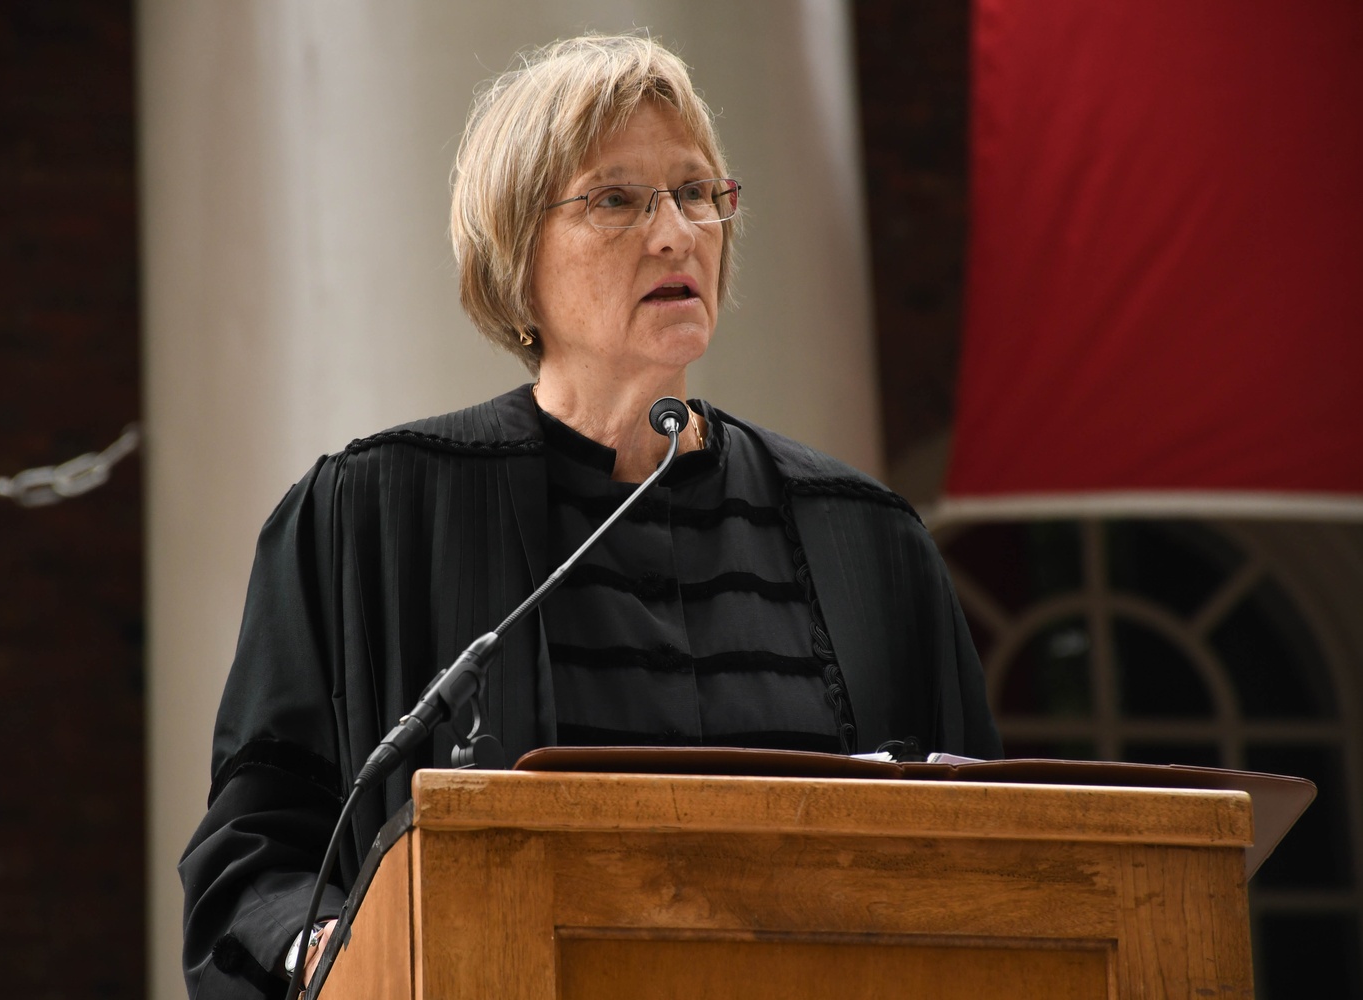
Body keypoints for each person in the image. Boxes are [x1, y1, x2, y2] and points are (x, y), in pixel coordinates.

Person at [179, 33, 1000, 999]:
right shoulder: (370, 517)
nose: (676, 233)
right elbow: (255, 852)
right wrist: (329, 948)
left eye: (697, 193)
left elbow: (988, 855)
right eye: (617, 200)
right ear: (515, 255)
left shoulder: (868, 542)